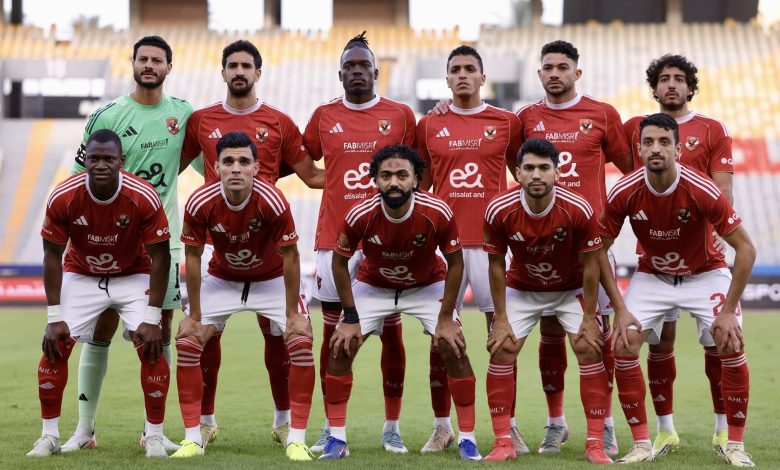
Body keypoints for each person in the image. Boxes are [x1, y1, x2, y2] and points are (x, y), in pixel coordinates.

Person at [178, 39, 323, 447]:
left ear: (258, 73)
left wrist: (367, 179)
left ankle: (284, 424)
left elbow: (312, 176)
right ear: (222, 72)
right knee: (203, 336)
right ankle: (203, 423)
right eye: (233, 65)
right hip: (220, 248)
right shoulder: (201, 121)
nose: (239, 71)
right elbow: (172, 166)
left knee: (280, 338)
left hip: (268, 248)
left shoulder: (279, 122)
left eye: (246, 66)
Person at [600, 114, 755, 467]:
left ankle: (735, 444)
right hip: (653, 276)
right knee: (623, 342)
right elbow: (597, 250)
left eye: (664, 142)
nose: (656, 148)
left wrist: (727, 311)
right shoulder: (624, 190)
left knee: (730, 341)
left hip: (705, 274)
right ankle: (642, 444)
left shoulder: (702, 188)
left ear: (678, 149)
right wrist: (620, 309)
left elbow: (746, 249)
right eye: (648, 142)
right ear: (639, 150)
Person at [62, 35, 191, 453]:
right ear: (132, 63)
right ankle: (85, 430)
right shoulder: (108, 116)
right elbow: (79, 178)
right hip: (111, 242)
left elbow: (211, 161)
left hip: (161, 245)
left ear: (169, 67)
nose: (149, 65)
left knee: (160, 331)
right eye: (143, 58)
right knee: (100, 328)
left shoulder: (183, 115)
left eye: (157, 59)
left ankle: (153, 430)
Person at [319, 144, 480, 461]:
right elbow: (339, 262)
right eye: (386, 175)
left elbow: (456, 263)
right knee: (340, 346)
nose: (393, 182)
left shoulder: (437, 211)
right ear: (375, 180)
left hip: (425, 285)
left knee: (453, 346)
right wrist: (349, 317)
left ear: (416, 179)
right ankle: (336, 439)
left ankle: (467, 439)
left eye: (402, 175)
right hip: (375, 285)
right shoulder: (360, 214)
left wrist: (445, 318)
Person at [514, 40, 632, 454]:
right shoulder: (526, 117)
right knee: (549, 333)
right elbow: (513, 165)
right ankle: (555, 423)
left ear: (577, 73)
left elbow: (631, 170)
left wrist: (611, 220)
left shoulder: (602, 114)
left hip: (591, 245)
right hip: (541, 243)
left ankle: (606, 424)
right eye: (548, 67)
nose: (554, 73)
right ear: (539, 73)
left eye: (563, 67)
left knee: (597, 335)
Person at [302, 32, 416, 454]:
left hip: (386, 241)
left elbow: (417, 169)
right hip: (334, 239)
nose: (356, 72)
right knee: (333, 335)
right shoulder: (323, 116)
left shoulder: (400, 115)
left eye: (363, 65)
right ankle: (330, 427)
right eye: (348, 66)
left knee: (391, 333)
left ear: (376, 72)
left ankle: (392, 426)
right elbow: (304, 163)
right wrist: (327, 180)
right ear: (340, 74)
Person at [27, 129, 172, 458]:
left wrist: (152, 317)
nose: (101, 165)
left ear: (122, 161)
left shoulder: (143, 195)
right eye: (94, 158)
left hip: (133, 273)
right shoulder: (64, 196)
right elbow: (52, 255)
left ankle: (154, 436)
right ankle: (49, 436)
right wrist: (54, 317)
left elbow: (161, 257)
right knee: (54, 344)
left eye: (109, 159)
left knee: (151, 345)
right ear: (85, 160)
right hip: (82, 274)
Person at [171, 132, 315, 461]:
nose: (236, 168)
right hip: (223, 279)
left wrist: (292, 315)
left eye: (243, 161)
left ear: (256, 167)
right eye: (228, 161)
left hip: (271, 279)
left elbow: (291, 256)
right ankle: (193, 437)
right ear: (216, 167)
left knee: (300, 340)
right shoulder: (199, 201)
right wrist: (194, 316)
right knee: (188, 341)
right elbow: (192, 256)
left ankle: (294, 436)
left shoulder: (272, 200)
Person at [622, 54, 735, 457]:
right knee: (659, 342)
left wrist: (719, 231)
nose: (671, 84)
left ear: (690, 86)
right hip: (654, 257)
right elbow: (633, 180)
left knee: (718, 343)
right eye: (664, 78)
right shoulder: (636, 129)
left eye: (679, 78)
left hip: (702, 258)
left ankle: (723, 431)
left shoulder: (712, 128)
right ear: (654, 88)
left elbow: (723, 190)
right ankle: (665, 430)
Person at [417, 45, 526, 454]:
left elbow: (525, 175)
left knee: (501, 336)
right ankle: (442, 427)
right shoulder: (429, 124)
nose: (462, 75)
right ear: (446, 79)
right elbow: (420, 186)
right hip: (444, 246)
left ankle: (508, 426)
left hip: (492, 246)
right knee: (440, 336)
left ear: (483, 78)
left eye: (469, 69)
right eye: (455, 69)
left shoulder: (507, 123)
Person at [481, 138, 612, 463]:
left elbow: (591, 266)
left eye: (544, 168)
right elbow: (495, 266)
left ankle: (595, 444)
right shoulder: (499, 209)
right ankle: (503, 442)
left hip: (570, 289)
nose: (536, 174)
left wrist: (589, 318)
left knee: (589, 346)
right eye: (529, 168)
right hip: (523, 287)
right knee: (502, 348)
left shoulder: (578, 208)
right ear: (518, 173)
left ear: (557, 173)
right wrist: (500, 318)